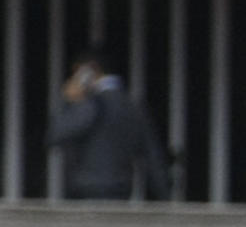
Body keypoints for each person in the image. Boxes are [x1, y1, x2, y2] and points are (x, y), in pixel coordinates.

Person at [47, 48, 169, 202]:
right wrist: (165, 197)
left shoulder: (90, 104)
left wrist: (70, 102)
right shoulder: (132, 105)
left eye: (77, 73)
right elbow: (152, 155)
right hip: (122, 188)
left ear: (89, 70)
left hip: (87, 189)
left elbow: (57, 135)